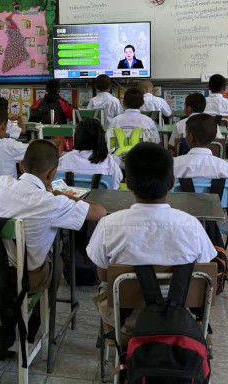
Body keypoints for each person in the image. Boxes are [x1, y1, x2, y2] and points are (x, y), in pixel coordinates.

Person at [86, 142, 216, 331]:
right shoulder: (192, 225)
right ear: (172, 183)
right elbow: (202, 275)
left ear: (128, 183)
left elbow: (104, 275)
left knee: (106, 287)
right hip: (178, 320)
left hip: (125, 321)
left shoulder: (108, 225)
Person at [0, 140, 106, 292]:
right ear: (52, 173)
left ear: (22, 166)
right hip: (26, 278)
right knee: (58, 260)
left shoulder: (0, 183)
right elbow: (100, 212)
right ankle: (44, 306)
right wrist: (59, 194)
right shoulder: (53, 203)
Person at [173, 114, 228, 199]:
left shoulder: (174, 165)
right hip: (217, 207)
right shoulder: (225, 168)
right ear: (214, 137)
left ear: (190, 137)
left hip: (179, 207)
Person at [57, 118, 123, 185]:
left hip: (69, 192)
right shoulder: (108, 161)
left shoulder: (63, 160)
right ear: (100, 138)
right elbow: (115, 183)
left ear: (77, 136)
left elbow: (56, 184)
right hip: (100, 192)